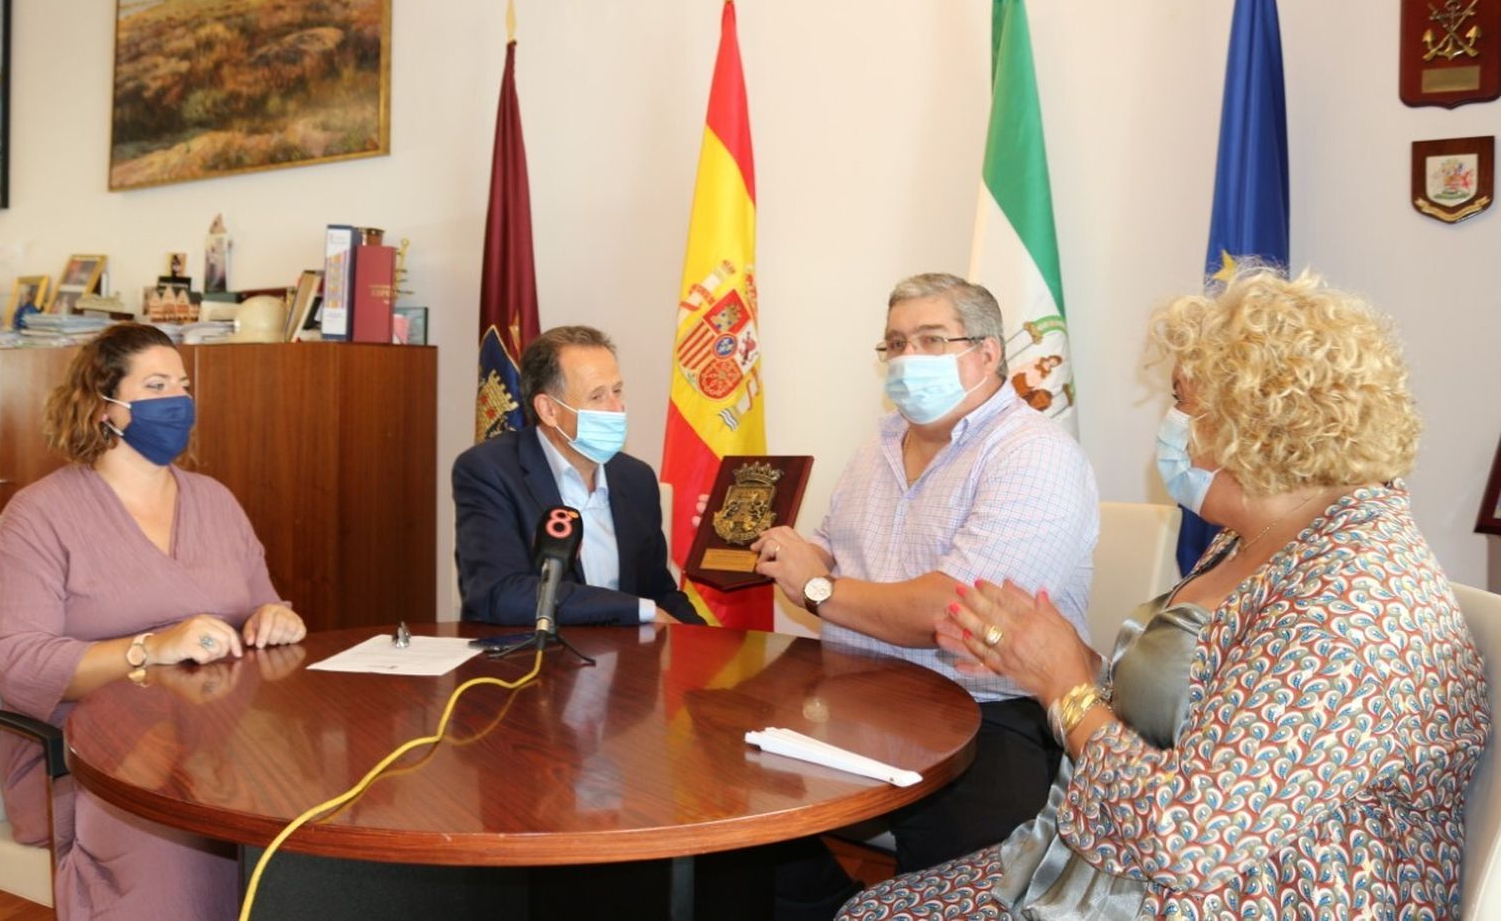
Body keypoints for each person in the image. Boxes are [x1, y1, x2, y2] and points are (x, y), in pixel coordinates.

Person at [841, 267, 1491, 920]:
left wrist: (1065, 688)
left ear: (1252, 418)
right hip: (1152, 867)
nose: (1171, 423)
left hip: (1265, 894)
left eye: (1182, 400)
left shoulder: (1353, 596)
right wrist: (1066, 659)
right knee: (876, 909)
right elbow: (1189, 709)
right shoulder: (1261, 535)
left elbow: (1189, 838)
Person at [754, 273, 1097, 914]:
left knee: (962, 890)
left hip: (987, 714)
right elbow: (834, 548)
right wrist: (796, 554)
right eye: (896, 343)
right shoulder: (878, 447)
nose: (908, 358)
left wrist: (819, 587)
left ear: (988, 353)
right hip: (857, 693)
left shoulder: (1034, 454)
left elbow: (953, 612)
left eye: (932, 340)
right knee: (733, 810)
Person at [0, 322, 306, 921]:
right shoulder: (39, 515)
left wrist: (274, 618)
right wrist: (151, 646)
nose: (178, 401)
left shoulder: (214, 500)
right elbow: (19, 664)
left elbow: (264, 605)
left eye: (182, 385)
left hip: (218, 736)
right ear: (103, 405)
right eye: (156, 386)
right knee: (189, 850)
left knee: (311, 812)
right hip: (94, 757)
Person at [454, 324, 704, 626]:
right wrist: (636, 609)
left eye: (617, 391)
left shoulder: (636, 478)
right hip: (536, 653)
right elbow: (499, 593)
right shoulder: (490, 471)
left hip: (628, 654)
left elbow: (659, 592)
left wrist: (704, 642)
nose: (617, 408)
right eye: (597, 396)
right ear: (549, 409)